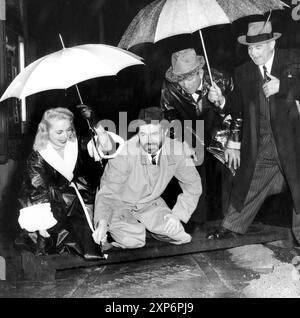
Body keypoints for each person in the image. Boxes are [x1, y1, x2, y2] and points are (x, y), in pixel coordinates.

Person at [207, 21, 300, 242]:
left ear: (272, 44)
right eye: (250, 48)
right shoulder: (244, 72)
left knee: (298, 186)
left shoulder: (293, 60)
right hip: (263, 140)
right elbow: (238, 105)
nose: (253, 53)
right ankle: (231, 226)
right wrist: (221, 100)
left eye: (258, 47)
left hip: (293, 141)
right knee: (250, 181)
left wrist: (285, 88)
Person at [15, 107, 119, 259]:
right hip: (45, 204)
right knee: (49, 246)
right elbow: (37, 190)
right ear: (46, 131)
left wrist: (95, 123)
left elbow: (108, 147)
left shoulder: (76, 144)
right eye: (59, 132)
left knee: (91, 245)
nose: (65, 136)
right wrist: (42, 224)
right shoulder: (36, 158)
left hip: (73, 202)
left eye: (68, 130)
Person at [92, 107, 202, 249]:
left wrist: (178, 215)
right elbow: (107, 192)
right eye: (143, 134)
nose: (149, 141)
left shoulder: (177, 150)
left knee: (179, 235)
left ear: (165, 131)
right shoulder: (124, 153)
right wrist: (101, 223)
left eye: (155, 134)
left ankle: (149, 229)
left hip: (149, 204)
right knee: (133, 241)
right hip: (119, 204)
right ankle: (128, 229)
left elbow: (193, 185)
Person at [161, 48, 242, 222]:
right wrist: (180, 142)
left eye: (189, 78)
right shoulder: (169, 87)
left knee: (227, 182)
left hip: (223, 134)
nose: (185, 84)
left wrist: (234, 143)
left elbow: (239, 111)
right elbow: (169, 117)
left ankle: (229, 224)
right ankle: (199, 227)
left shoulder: (221, 79)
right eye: (180, 79)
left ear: (201, 71)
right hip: (193, 136)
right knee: (196, 185)